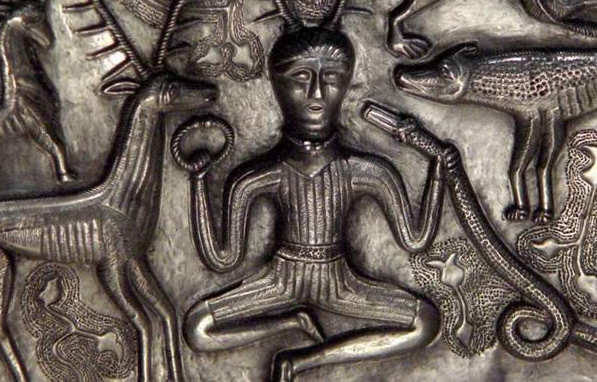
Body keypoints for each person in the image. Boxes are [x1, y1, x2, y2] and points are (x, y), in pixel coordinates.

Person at [182, 26, 450, 381]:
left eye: (332, 78)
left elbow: (414, 240)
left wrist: (438, 172)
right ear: (277, 86)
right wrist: (198, 181)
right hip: (280, 281)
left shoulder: (366, 170)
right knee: (197, 328)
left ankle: (303, 361)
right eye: (301, 78)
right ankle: (289, 322)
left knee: (426, 322)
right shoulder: (259, 175)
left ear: (347, 83)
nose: (317, 93)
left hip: (341, 283)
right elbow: (222, 260)